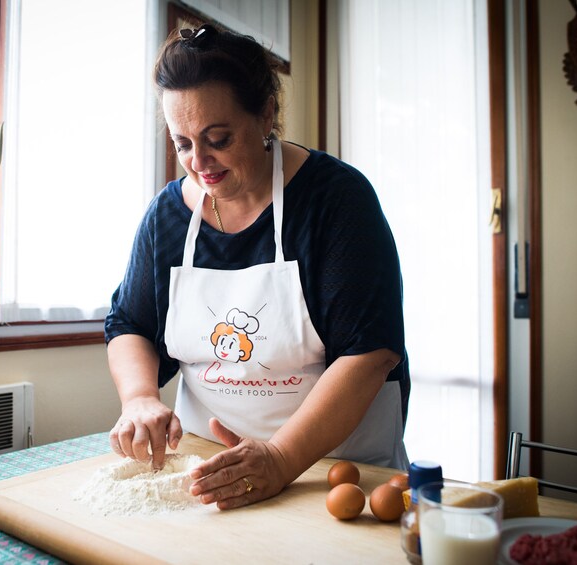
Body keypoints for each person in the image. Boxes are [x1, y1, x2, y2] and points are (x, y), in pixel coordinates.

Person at [105, 23, 410, 510]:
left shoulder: (336, 201)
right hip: (208, 475)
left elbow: (369, 353)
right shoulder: (167, 218)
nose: (199, 161)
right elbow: (130, 324)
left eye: (218, 138)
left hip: (333, 475)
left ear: (266, 112)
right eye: (182, 144)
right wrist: (140, 396)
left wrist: (281, 458)